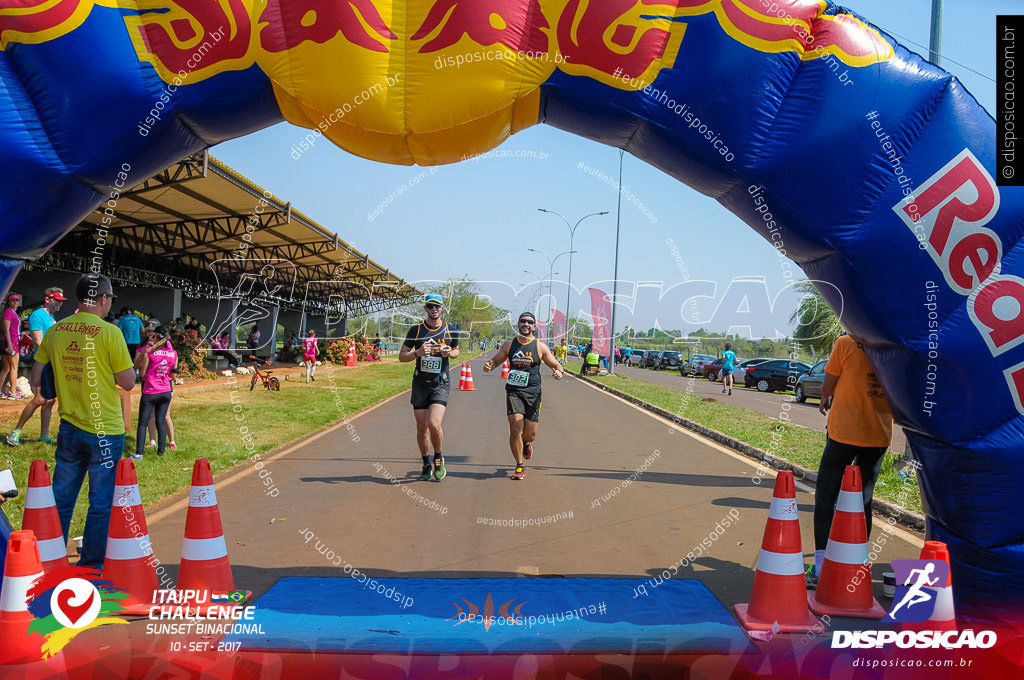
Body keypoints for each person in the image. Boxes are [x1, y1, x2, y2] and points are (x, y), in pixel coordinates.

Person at [31, 274, 135, 569]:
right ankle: (91, 565)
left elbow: (38, 379)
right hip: (105, 431)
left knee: (61, 500)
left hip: (69, 427)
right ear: (103, 298)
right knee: (100, 504)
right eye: (110, 299)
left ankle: (49, 558)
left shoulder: (56, 331)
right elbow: (127, 383)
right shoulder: (109, 333)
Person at [806, 332, 893, 588]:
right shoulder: (892, 345)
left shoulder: (846, 343)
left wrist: (824, 396)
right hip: (878, 435)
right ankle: (856, 566)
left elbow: (828, 384)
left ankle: (821, 568)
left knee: (825, 498)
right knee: (863, 500)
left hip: (844, 433)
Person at [483, 312, 563, 480]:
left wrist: (558, 371)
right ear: (518, 324)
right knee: (515, 427)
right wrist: (489, 366)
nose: (526, 324)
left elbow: (555, 364)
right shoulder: (509, 344)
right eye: (523, 321)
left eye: (530, 322)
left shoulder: (540, 347)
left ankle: (526, 444)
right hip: (514, 391)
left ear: (534, 326)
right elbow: (496, 361)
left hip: (533, 393)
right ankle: (519, 465)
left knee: (530, 434)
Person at [399, 293, 459, 481]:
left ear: (442, 309)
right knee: (422, 427)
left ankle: (438, 458)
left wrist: (451, 352)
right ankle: (426, 462)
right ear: (425, 308)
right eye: (431, 306)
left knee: (434, 423)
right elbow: (402, 356)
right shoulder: (416, 331)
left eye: (438, 306)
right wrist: (417, 353)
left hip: (440, 382)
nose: (434, 309)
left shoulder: (451, 330)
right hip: (420, 384)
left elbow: (457, 350)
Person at [7, 288, 67, 445]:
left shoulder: (50, 317)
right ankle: (16, 431)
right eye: (57, 300)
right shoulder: (38, 315)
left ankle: (44, 435)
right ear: (47, 299)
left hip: (50, 363)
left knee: (50, 400)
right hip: (42, 363)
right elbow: (38, 342)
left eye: (61, 300)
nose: (60, 303)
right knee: (40, 398)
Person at [133, 325, 177, 458]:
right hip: (165, 390)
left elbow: (141, 372)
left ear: (155, 337)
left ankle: (139, 453)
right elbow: (173, 374)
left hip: (150, 390)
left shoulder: (150, 351)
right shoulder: (173, 353)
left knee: (143, 422)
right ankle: (161, 452)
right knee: (161, 420)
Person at [0, 293, 22, 400]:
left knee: (6, 368)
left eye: (17, 300)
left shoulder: (12, 313)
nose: (15, 302)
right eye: (13, 300)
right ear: (9, 302)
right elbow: (6, 329)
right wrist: (10, 345)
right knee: (14, 368)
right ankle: (12, 392)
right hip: (11, 342)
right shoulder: (8, 312)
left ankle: (0, 391)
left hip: (10, 342)